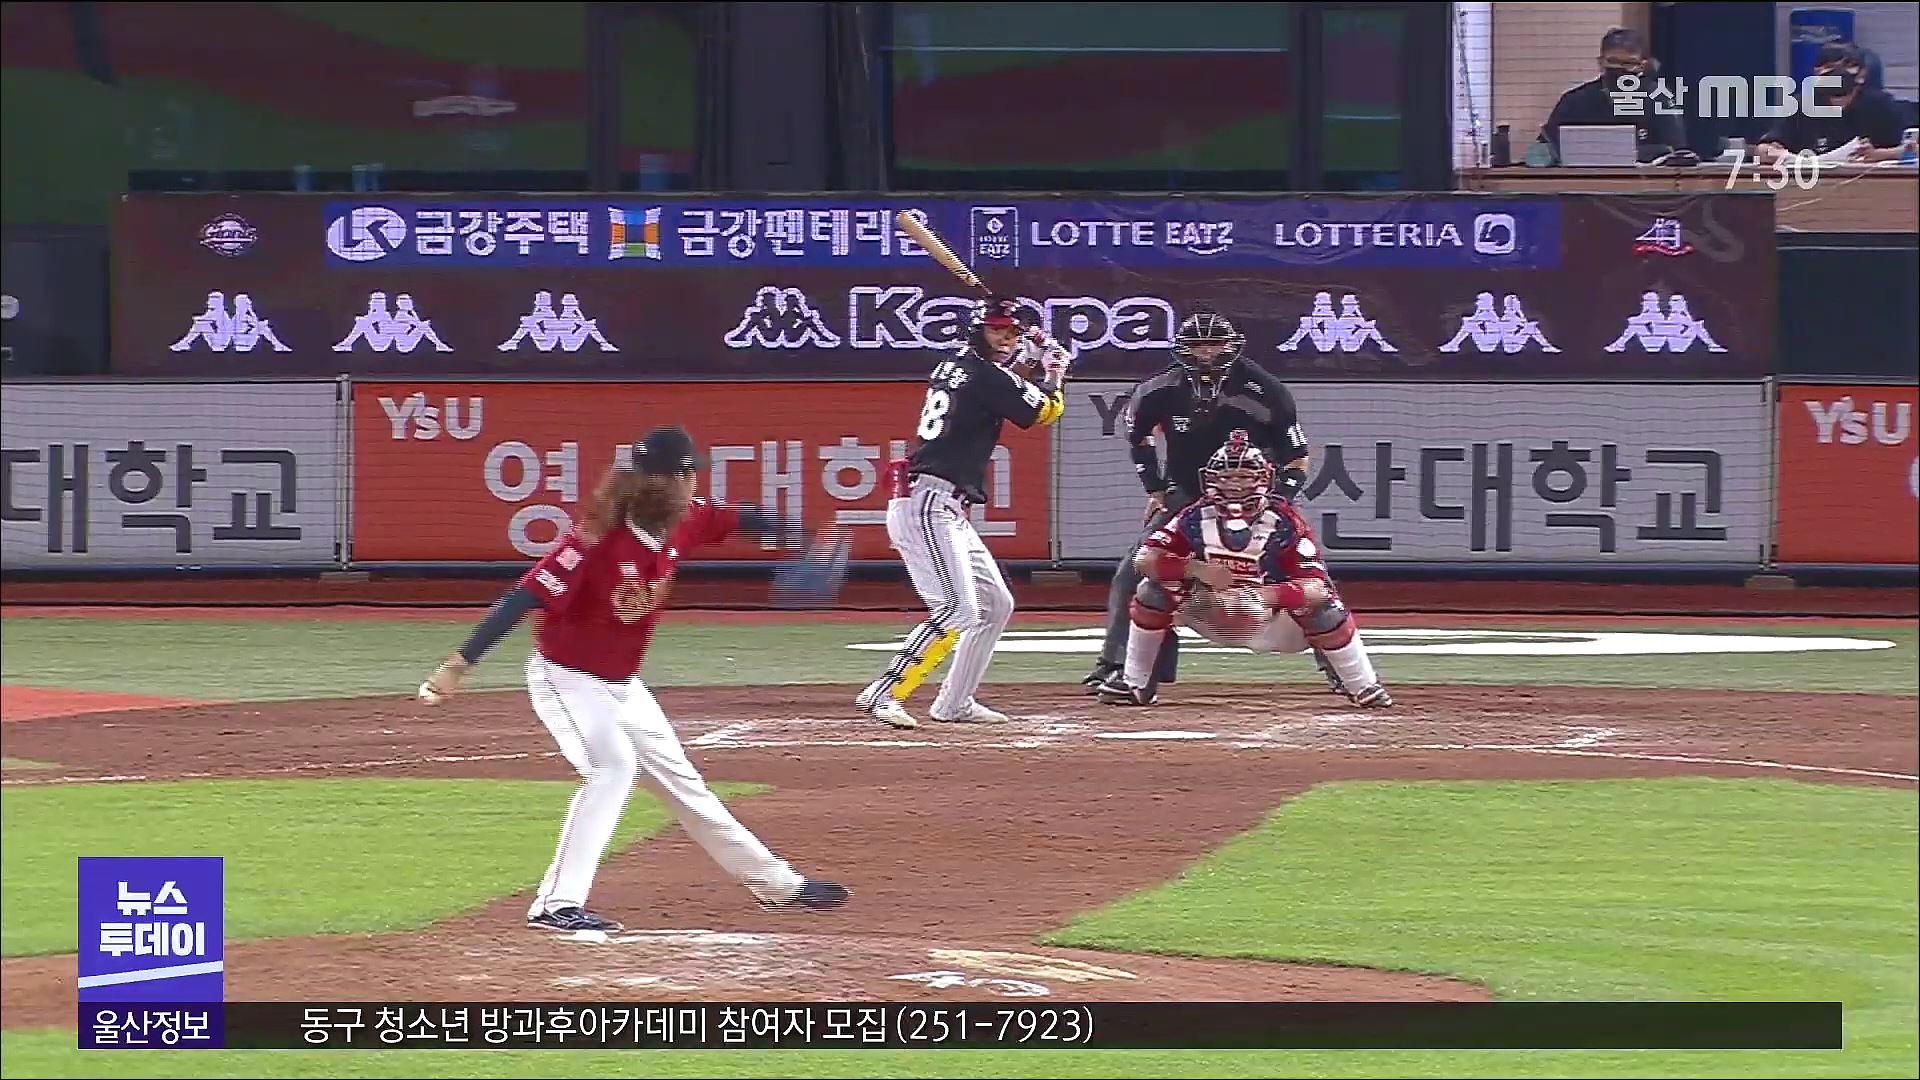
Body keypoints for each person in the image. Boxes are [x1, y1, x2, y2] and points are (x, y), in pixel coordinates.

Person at [416, 425, 850, 932]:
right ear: (669, 480)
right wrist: (457, 666)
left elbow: (743, 517)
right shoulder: (595, 541)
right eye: (690, 475)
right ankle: (555, 904)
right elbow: (523, 597)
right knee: (613, 768)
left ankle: (777, 885)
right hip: (568, 680)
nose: (696, 484)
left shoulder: (684, 521)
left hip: (623, 687)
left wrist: (803, 537)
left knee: (684, 784)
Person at [856, 296, 1070, 729]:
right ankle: (884, 693)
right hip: (928, 503)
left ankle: (955, 702)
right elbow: (1043, 412)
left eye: (1011, 332)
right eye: (997, 330)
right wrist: (1054, 373)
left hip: (944, 506)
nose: (1005, 339)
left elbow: (1006, 387)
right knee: (957, 609)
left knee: (995, 605)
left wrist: (1032, 362)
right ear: (978, 331)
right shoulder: (985, 375)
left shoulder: (960, 366)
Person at [1082, 310, 1318, 695]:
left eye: (1215, 345)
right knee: (1133, 573)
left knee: (1305, 576)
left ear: (1232, 346)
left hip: (1256, 503)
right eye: (1198, 346)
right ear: (1182, 349)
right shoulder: (1158, 390)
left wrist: (1281, 503)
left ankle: (1341, 666)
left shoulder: (1266, 390)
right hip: (1188, 497)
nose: (1207, 353)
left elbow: (1298, 457)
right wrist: (1156, 489)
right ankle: (1116, 665)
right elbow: (1139, 438)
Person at [1094, 430, 1392, 710]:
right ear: (1211, 480)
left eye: (1244, 478)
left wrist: (1266, 596)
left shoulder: (1285, 522)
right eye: (1227, 478)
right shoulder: (1194, 516)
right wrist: (1194, 568)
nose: (1235, 487)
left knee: (1326, 610)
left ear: (1263, 480)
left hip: (1269, 622)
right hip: (1210, 610)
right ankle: (1136, 683)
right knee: (1151, 590)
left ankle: (1362, 685)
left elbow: (1317, 588)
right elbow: (1144, 559)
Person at [1537, 28, 1685, 163]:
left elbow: (1676, 150)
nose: (1619, 69)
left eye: (1629, 63)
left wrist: (1632, 154)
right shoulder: (1574, 100)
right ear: (1600, 62)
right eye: (1613, 61)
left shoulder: (1660, 98)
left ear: (1642, 65)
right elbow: (1545, 149)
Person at [1756, 42, 1906, 162]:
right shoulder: (1800, 104)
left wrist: (1878, 154)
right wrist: (1779, 155)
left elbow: (1911, 149)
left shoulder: (1882, 105)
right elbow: (1762, 150)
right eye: (1827, 70)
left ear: (1861, 75)